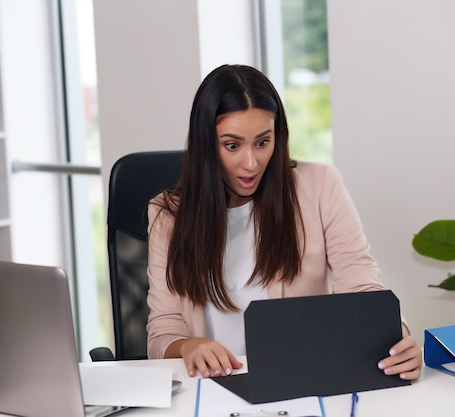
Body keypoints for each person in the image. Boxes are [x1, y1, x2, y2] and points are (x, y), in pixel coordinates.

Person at [146, 64, 422, 381]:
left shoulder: (320, 187)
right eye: (232, 145)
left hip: (297, 384)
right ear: (206, 144)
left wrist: (395, 338)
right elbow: (162, 332)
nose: (251, 163)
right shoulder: (168, 214)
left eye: (263, 142)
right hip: (210, 390)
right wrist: (188, 346)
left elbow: (362, 287)